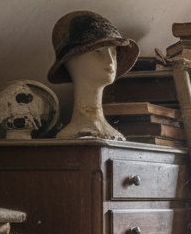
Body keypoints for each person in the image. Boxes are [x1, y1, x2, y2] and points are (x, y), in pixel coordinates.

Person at [47, 10, 139, 140]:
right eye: (97, 51)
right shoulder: (71, 135)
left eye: (113, 51)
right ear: (70, 61)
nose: (110, 61)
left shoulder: (112, 133)